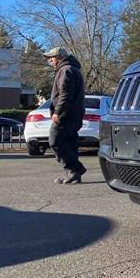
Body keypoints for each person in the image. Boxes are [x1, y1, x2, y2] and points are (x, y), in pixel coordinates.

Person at [45, 47, 87, 184]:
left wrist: (58, 112)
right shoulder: (72, 69)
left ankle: (76, 169)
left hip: (66, 114)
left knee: (55, 141)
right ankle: (73, 174)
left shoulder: (66, 70)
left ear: (60, 57)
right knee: (69, 142)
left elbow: (65, 94)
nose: (50, 60)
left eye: (52, 57)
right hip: (73, 114)